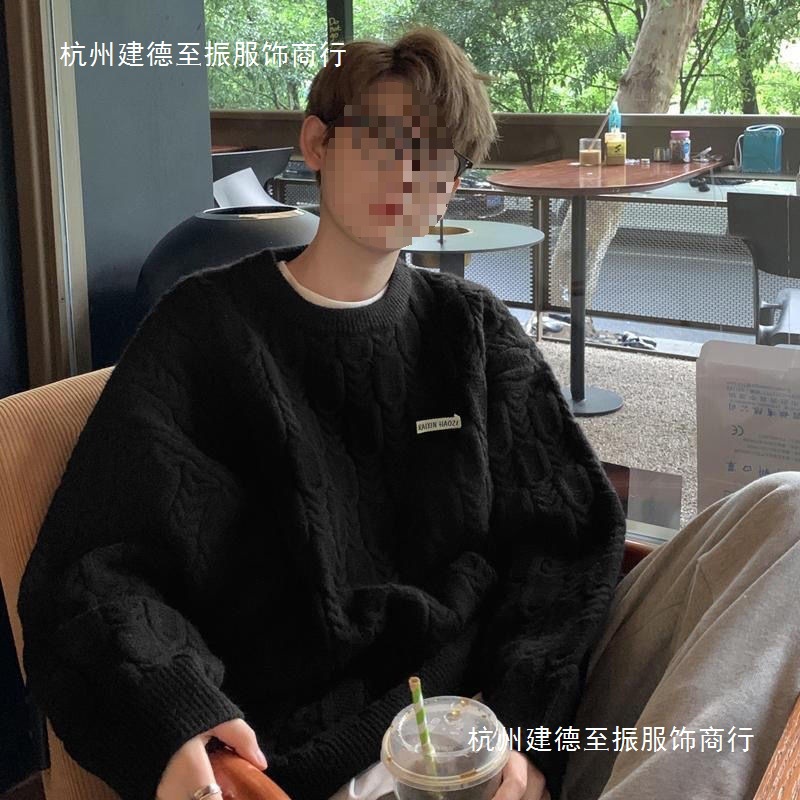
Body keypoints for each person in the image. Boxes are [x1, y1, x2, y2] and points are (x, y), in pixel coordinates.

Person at [15, 23, 800, 800]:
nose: (408, 173)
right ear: (317, 143)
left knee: (786, 509)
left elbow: (566, 535)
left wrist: (524, 728)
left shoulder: (472, 329)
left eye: (437, 159)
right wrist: (175, 717)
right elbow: (96, 568)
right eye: (385, 139)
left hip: (514, 698)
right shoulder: (207, 334)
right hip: (357, 750)